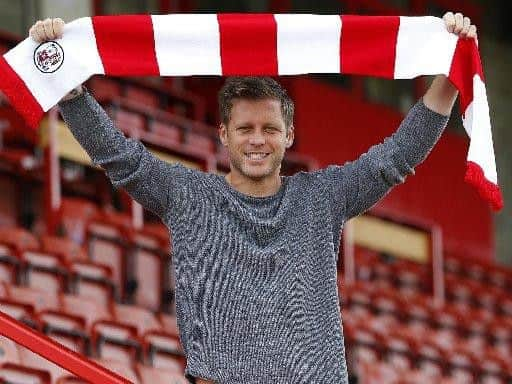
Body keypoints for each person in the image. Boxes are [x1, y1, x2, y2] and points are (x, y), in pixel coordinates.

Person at [30, 11, 476, 384]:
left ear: (289, 135)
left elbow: (396, 157)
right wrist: (66, 81)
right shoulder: (189, 196)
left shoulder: (322, 198)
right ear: (224, 134)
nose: (257, 140)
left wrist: (451, 76)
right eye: (245, 129)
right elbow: (120, 157)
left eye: (270, 129)